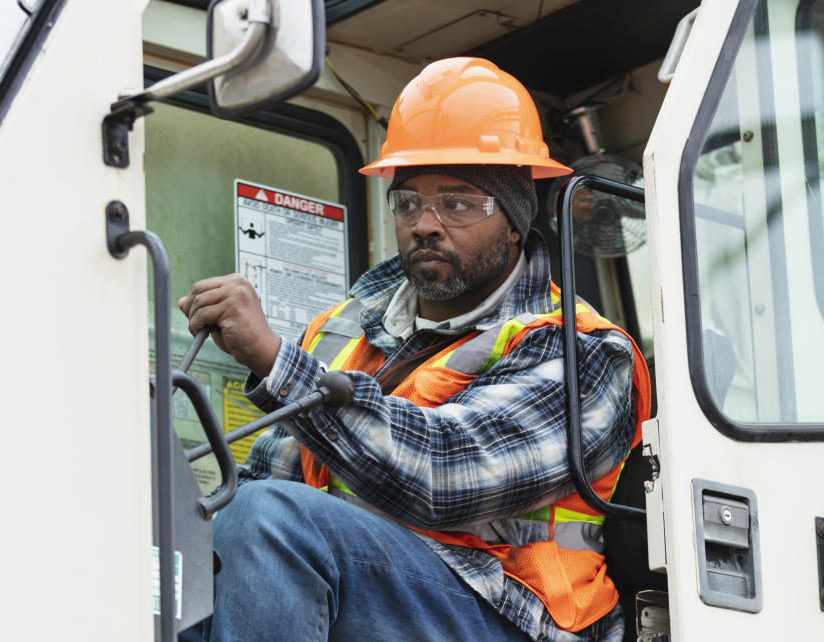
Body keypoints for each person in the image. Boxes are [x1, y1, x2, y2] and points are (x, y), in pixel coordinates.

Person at [178, 57, 650, 642]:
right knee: (184, 560)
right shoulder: (343, 327)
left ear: (513, 221)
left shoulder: (583, 352)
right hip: (381, 591)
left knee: (266, 523)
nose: (425, 224)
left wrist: (277, 363)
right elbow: (265, 474)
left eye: (457, 203)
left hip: (509, 614)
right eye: (407, 203)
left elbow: (447, 475)